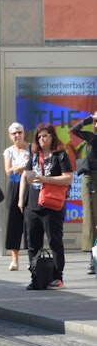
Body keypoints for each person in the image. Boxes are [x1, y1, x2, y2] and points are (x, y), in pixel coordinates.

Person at [22, 122, 73, 290]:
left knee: (54, 241)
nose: (42, 139)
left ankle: (58, 277)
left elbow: (68, 178)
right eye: (39, 136)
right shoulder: (34, 155)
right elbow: (27, 176)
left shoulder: (60, 155)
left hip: (52, 204)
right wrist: (21, 199)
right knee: (32, 243)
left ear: (52, 137)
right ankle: (36, 277)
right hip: (33, 204)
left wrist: (45, 179)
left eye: (45, 136)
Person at [69, 111, 97, 274]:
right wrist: (89, 119)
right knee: (90, 217)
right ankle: (92, 260)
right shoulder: (91, 136)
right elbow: (74, 129)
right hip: (90, 178)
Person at [2, 122, 30, 272]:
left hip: (30, 184)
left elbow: (33, 166)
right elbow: (8, 171)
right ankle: (15, 259)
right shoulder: (8, 151)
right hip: (15, 185)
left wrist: (21, 168)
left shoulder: (31, 148)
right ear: (10, 136)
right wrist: (19, 167)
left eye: (19, 132)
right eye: (14, 133)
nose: (17, 135)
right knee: (13, 220)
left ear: (24, 133)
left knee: (31, 220)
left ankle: (32, 256)